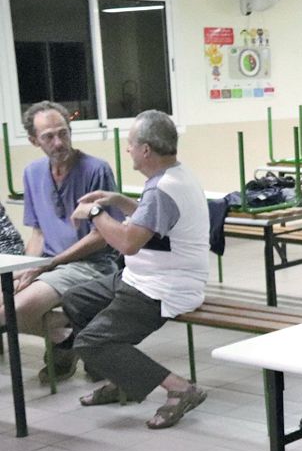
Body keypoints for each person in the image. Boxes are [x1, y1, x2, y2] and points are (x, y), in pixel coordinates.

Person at [48, 110, 210, 429]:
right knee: (76, 300)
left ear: (146, 149)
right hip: (141, 279)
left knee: (90, 342)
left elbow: (128, 243)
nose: (128, 150)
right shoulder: (172, 177)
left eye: (131, 144)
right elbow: (153, 220)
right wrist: (120, 201)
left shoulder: (163, 188)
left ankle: (180, 389)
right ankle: (122, 377)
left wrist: (95, 212)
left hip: (162, 289)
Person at [8, 101, 120, 384]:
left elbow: (103, 236)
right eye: (48, 137)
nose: (58, 142)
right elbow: (38, 234)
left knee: (17, 308)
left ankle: (72, 334)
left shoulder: (96, 169)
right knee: (6, 298)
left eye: (63, 133)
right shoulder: (32, 173)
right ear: (34, 140)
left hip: (91, 264)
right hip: (49, 264)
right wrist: (25, 269)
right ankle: (68, 334)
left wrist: (48, 266)